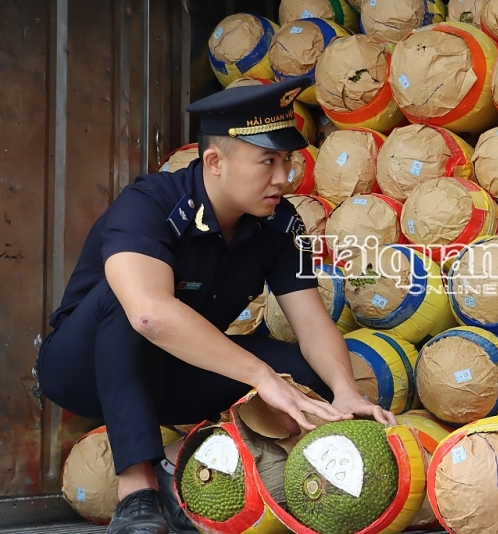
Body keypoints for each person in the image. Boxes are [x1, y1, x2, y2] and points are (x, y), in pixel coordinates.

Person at [36, 78, 395, 534]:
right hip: (84, 370)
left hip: (171, 375)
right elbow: (148, 313)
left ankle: (183, 469)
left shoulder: (281, 223)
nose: (283, 177)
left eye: (286, 161)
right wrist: (260, 377)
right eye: (267, 161)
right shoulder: (149, 204)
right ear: (214, 162)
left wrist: (345, 392)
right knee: (129, 300)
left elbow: (312, 323)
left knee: (302, 372)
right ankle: (138, 491)